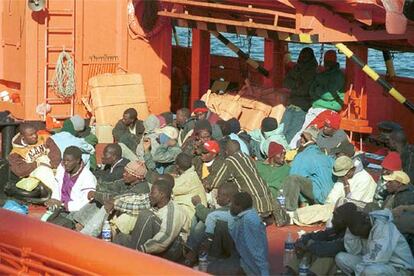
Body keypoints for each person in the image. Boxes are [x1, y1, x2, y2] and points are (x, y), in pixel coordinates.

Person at [113, 179, 188, 261]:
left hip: (172, 248)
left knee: (146, 215)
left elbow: (166, 236)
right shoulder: (156, 205)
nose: (150, 195)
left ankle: (135, 258)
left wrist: (143, 249)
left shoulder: (173, 211)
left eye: (152, 193)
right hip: (152, 243)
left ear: (161, 194)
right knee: (121, 238)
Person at [74, 160, 150, 236]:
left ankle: (88, 233)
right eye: (125, 172)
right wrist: (96, 186)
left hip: (127, 214)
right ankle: (79, 223)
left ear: (136, 177)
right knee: (100, 198)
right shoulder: (128, 181)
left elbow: (116, 198)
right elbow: (111, 186)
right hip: (117, 205)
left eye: (127, 173)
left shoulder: (140, 189)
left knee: (107, 203)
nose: (124, 174)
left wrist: (96, 194)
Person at [207, 140, 276, 221]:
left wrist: (207, 183)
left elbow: (216, 182)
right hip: (268, 204)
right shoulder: (248, 157)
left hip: (254, 207)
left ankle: (218, 215)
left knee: (218, 191)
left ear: (227, 151)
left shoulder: (230, 161)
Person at [289, 50, 345, 149]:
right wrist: (320, 91)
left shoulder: (338, 76)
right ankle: (292, 148)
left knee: (308, 131)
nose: (327, 63)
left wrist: (318, 90)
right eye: (326, 61)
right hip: (315, 107)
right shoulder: (322, 74)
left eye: (329, 61)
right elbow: (311, 90)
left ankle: (295, 148)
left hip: (327, 109)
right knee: (302, 129)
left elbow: (329, 95)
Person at [335, 209, 414, 275]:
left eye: (362, 232)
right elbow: (355, 252)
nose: (361, 236)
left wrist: (357, 272)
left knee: (370, 271)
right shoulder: (357, 229)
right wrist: (351, 234)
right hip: (374, 263)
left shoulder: (383, 227)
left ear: (367, 220)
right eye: (358, 233)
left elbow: (377, 258)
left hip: (399, 268)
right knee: (340, 258)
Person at [286, 203, 358, 276]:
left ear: (344, 221)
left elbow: (330, 249)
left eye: (336, 217)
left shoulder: (350, 236)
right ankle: (290, 272)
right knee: (304, 251)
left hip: (342, 269)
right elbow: (314, 236)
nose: (332, 220)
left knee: (327, 257)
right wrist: (303, 241)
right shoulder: (334, 230)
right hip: (327, 261)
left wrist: (309, 245)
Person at [208, 192, 269, 276]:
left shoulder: (249, 221)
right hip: (242, 260)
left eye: (232, 204)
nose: (230, 207)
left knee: (209, 269)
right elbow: (220, 216)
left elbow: (257, 250)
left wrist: (264, 273)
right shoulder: (246, 215)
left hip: (248, 268)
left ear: (238, 206)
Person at [283, 126, 334, 211]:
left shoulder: (303, 156)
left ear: (307, 139)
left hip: (320, 197)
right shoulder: (326, 157)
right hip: (331, 196)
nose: (301, 139)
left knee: (292, 179)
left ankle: (290, 210)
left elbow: (294, 177)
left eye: (303, 137)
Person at [9, 122, 61, 192]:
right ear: (23, 137)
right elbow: (19, 170)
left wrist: (54, 166)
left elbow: (55, 152)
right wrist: (37, 164)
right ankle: (59, 194)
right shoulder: (16, 153)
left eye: (35, 133)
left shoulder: (44, 138)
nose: (35, 136)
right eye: (31, 135)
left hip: (51, 165)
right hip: (35, 171)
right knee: (42, 171)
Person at [282, 47, 318, 143]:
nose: (302, 58)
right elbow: (286, 82)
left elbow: (306, 90)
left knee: (292, 132)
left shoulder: (312, 71)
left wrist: (295, 85)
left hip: (302, 107)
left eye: (305, 56)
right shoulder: (297, 67)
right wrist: (296, 84)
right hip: (291, 104)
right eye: (302, 55)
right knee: (282, 130)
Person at [45, 146, 96, 212]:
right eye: (64, 160)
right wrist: (54, 201)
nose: (65, 163)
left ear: (78, 161)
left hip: (75, 212)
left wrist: (63, 205)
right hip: (59, 208)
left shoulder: (88, 177)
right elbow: (56, 186)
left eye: (69, 161)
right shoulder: (62, 167)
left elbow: (86, 203)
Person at [172, 152, 207, 230]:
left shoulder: (187, 179)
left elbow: (168, 188)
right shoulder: (192, 175)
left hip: (190, 220)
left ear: (177, 166)